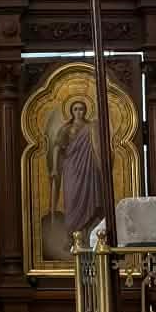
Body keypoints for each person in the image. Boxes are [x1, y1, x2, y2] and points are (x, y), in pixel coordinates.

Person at [49, 98, 104, 251]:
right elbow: (57, 147)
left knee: (88, 199)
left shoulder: (91, 127)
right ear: (71, 111)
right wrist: (54, 168)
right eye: (76, 109)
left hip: (88, 169)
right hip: (71, 168)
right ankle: (71, 237)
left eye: (81, 109)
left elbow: (97, 146)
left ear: (85, 111)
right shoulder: (66, 128)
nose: (79, 112)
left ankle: (86, 238)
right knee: (72, 201)